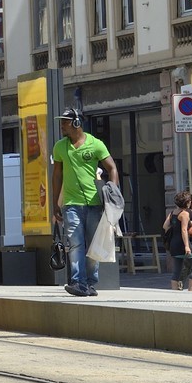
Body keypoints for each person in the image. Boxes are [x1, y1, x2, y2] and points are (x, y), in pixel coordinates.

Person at [51, 107, 118, 297]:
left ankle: (90, 283)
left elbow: (112, 168)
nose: (62, 125)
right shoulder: (60, 147)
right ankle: (78, 282)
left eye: (65, 121)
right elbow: (57, 176)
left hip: (95, 203)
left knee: (92, 246)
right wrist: (55, 203)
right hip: (71, 204)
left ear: (77, 123)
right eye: (61, 121)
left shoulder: (96, 144)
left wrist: (112, 193)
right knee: (75, 243)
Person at [162, 191, 192, 291]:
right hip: (182, 243)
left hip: (173, 244)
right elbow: (184, 230)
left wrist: (175, 226)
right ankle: (191, 290)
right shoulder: (184, 214)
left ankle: (174, 292)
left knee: (176, 271)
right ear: (187, 202)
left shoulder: (173, 213)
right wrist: (187, 246)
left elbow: (165, 226)